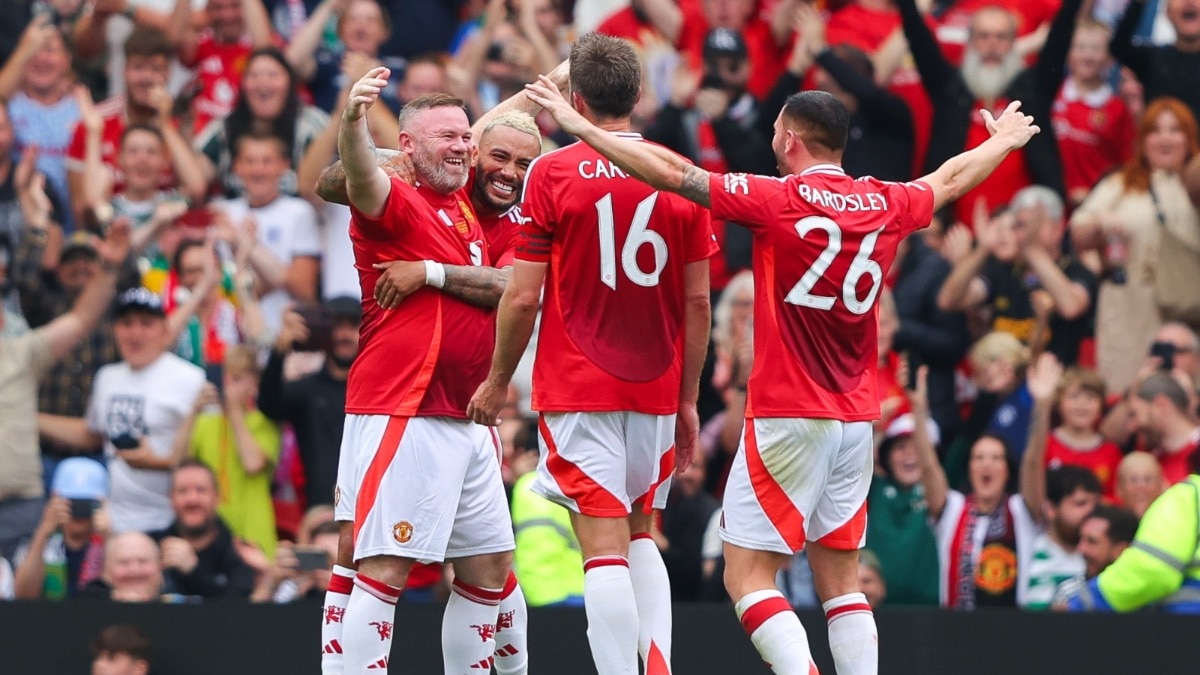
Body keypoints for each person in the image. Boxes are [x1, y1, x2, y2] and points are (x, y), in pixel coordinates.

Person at [524, 44, 1040, 673]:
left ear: (791, 140)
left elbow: (671, 176)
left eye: (775, 130)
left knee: (747, 576)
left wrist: (577, 129)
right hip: (856, 419)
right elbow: (951, 178)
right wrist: (1005, 143)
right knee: (842, 581)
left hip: (786, 413)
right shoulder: (886, 202)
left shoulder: (774, 200)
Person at [469, 33, 717, 675]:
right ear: (637, 95)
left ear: (576, 98)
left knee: (600, 542)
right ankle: (657, 663)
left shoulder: (551, 172)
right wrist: (688, 398)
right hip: (657, 385)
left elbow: (522, 298)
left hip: (579, 384)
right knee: (640, 530)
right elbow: (699, 305)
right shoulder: (678, 172)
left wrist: (498, 381)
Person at [331, 79, 523, 672]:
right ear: (407, 149)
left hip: (464, 414)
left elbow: (483, 136)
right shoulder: (394, 200)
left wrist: (552, 88)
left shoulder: (468, 204)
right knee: (384, 563)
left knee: (490, 568)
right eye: (447, 138)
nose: (463, 148)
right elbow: (358, 174)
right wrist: (353, 119)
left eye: (467, 137)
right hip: (403, 407)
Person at [0, 221, 131, 562]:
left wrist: (110, 266)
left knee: (29, 608)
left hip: (21, 506)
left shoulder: (20, 352)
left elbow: (84, 317)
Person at [36, 287, 206, 533]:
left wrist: (157, 463)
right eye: (126, 323)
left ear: (164, 330)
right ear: (114, 329)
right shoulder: (108, 377)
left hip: (171, 520)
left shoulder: (191, 379)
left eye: (146, 323)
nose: (135, 332)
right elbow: (92, 434)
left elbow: (207, 456)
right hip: (113, 522)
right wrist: (28, 419)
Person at [898, 0, 1083, 224]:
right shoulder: (950, 90)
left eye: (1001, 37)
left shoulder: (1034, 90)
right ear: (970, 41)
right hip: (953, 235)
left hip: (1025, 232)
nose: (992, 45)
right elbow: (918, 37)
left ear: (1014, 41)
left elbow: (1061, 34)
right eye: (983, 36)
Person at [1069, 98, 1200, 393]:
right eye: (1155, 130)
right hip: (1128, 310)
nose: (1165, 138)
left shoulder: (1194, 184)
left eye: (1175, 130)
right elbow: (1078, 234)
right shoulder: (1120, 183)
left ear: (1190, 137)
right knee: (1126, 394)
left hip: (1187, 312)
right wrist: (1100, 223)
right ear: (1142, 140)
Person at [939, 186, 1097, 366]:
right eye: (1020, 225)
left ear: (1058, 227)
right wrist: (983, 249)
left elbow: (1071, 307)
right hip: (1003, 384)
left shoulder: (1076, 271)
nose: (1025, 233)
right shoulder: (1003, 270)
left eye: (1034, 224)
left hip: (1054, 383)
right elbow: (949, 301)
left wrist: (1032, 249)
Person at [173, 345, 281, 557]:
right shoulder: (205, 423)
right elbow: (177, 464)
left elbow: (252, 464)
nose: (228, 387)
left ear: (255, 383)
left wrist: (233, 409)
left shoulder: (265, 423)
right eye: (225, 379)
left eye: (237, 379)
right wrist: (193, 411)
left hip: (253, 536)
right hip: (210, 537)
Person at [1018, 354, 1104, 610]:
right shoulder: (1049, 444)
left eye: (1090, 398)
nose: (1082, 405)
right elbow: (1032, 465)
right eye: (1074, 397)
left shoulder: (1110, 448)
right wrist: (1041, 404)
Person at [258, 299, 360, 511]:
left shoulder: (378, 390)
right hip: (318, 515)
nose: (344, 335)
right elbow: (269, 405)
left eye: (353, 326)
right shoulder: (307, 390)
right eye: (337, 327)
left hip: (369, 511)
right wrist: (280, 350)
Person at [1063, 468, 1200, 613]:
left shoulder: (1191, 496)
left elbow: (1154, 570)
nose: (1081, 549)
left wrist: (1082, 602)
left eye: (1092, 541)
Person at [1052, 19, 1135, 208]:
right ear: (1067, 52)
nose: (1087, 56)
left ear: (1109, 57)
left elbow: (1126, 164)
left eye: (1096, 49)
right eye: (1080, 47)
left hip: (1096, 208)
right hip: (1050, 207)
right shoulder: (1051, 95)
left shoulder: (1117, 109)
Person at [147, 460, 256, 598]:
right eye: (182, 491)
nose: (192, 499)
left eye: (201, 490)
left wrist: (193, 571)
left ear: (217, 497)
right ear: (171, 499)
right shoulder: (150, 547)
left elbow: (237, 611)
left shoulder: (241, 552)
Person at [12, 457, 111, 599]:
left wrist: (108, 538)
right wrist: (44, 531)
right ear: (54, 500)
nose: (77, 511)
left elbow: (116, 591)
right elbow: (23, 595)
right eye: (70, 502)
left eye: (86, 503)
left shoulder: (116, 542)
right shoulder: (36, 542)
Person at [1110, 0, 1200, 117]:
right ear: (1167, 13)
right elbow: (1119, 46)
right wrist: (1139, 3)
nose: (1189, 2)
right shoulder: (1151, 59)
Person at [1127, 373, 1200, 485]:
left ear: (1161, 406)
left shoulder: (1196, 453)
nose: (1131, 427)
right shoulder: (1148, 458)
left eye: (1135, 414)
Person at [83, 530, 166, 601]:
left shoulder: (175, 598)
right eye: (124, 562)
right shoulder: (89, 604)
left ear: (160, 566)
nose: (134, 569)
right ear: (106, 571)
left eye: (142, 561)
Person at [1115, 451, 1166, 517]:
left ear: (1161, 485)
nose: (1141, 486)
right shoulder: (1108, 525)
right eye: (1133, 480)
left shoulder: (1175, 521)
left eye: (1148, 479)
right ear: (1119, 488)